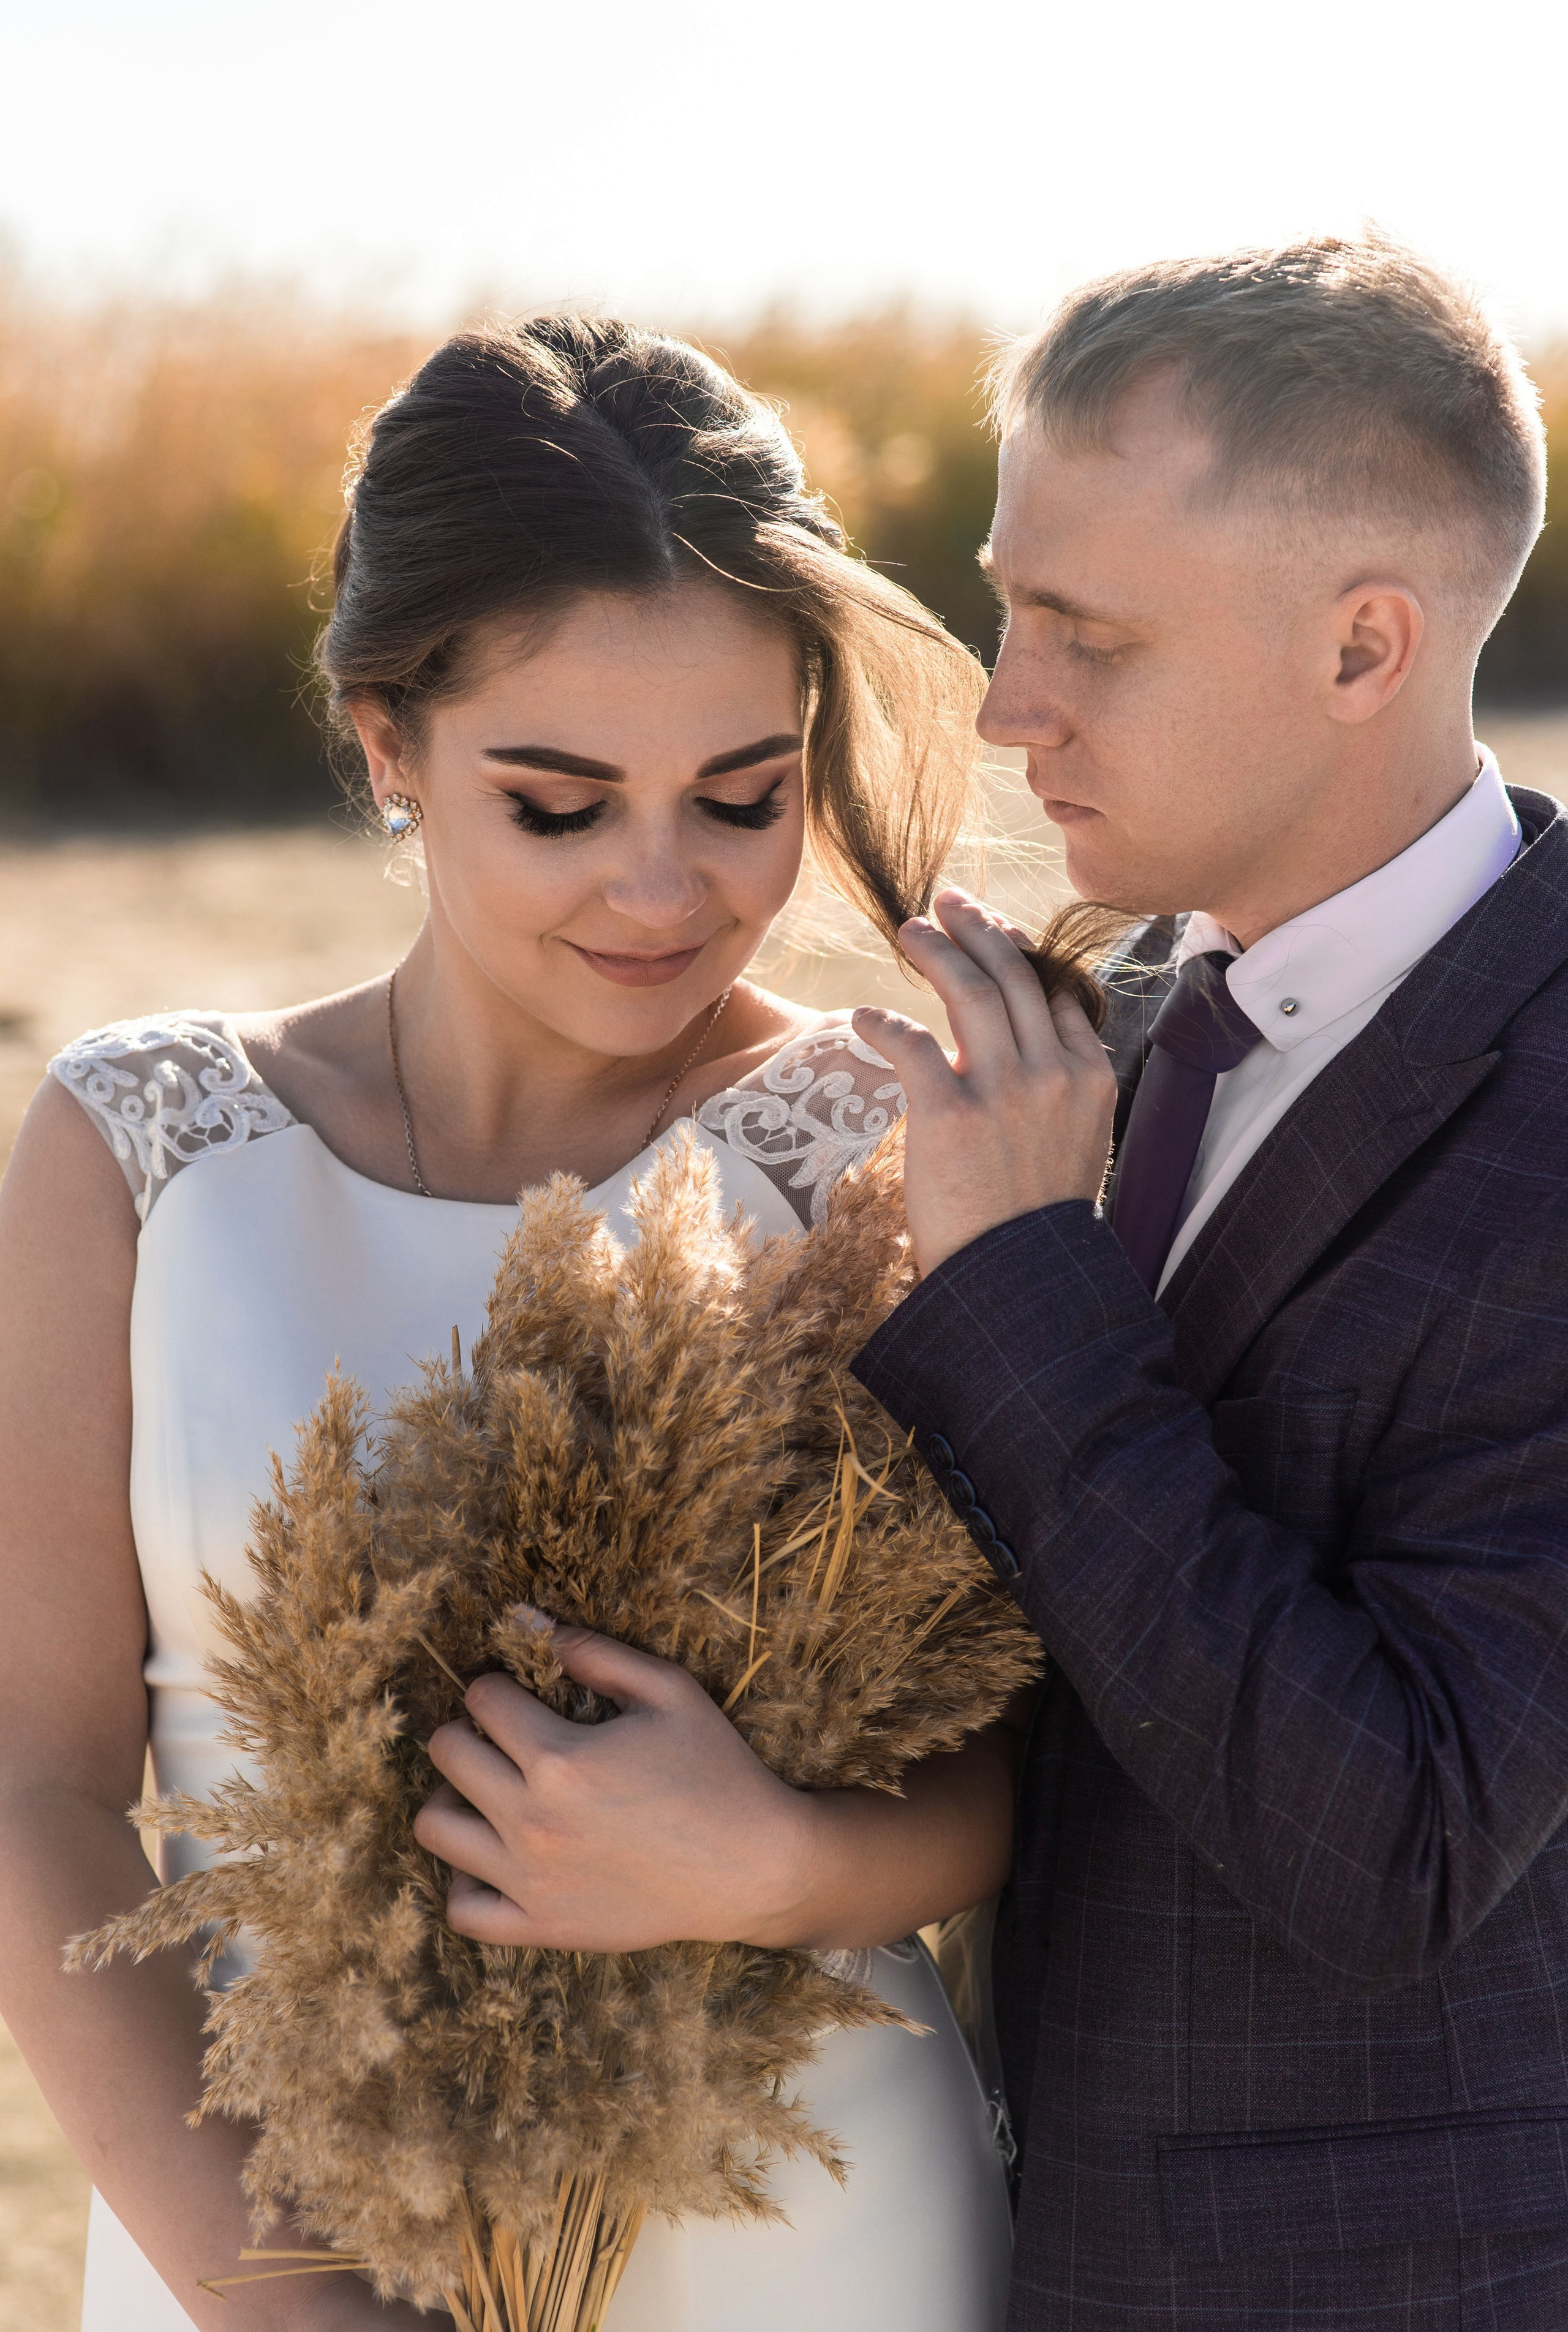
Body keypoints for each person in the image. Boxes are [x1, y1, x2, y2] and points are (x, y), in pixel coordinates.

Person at [0, 317, 1019, 2332]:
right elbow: (32, 1784)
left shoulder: (875, 1149)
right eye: (559, 803)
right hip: (263, 2229)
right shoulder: (136, 1139)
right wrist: (288, 2301)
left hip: (803, 2233)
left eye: (744, 796)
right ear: (387, 741)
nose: (665, 888)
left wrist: (772, 1869)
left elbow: (1010, 1772)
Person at [845, 235, 1568, 2328]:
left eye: (1088, 634)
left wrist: (1020, 1289)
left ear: (1365, 648)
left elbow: (1401, 1837)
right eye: (1005, 602)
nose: (1004, 704)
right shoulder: (1106, 1021)